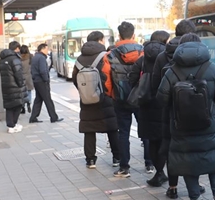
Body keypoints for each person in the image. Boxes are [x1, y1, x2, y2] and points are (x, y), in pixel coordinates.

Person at [156, 33, 215, 200]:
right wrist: (212, 111)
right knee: (213, 158)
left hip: (181, 126)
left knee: (188, 161)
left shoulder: (171, 71)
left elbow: (161, 100)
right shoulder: (212, 69)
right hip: (208, 123)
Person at [151, 19, 199, 195]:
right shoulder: (199, 54)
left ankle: (172, 187)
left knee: (172, 148)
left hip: (169, 111)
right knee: (193, 147)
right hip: (194, 109)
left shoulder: (163, 55)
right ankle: (194, 187)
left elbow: (156, 84)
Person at [72, 31, 119, 169]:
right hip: (106, 98)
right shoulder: (106, 56)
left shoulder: (79, 60)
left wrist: (86, 92)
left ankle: (90, 160)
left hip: (87, 100)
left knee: (89, 129)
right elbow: (112, 75)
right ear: (100, 41)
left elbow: (76, 79)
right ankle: (116, 157)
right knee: (112, 128)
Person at [129, 30, 170, 179]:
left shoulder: (142, 60)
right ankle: (171, 179)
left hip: (146, 106)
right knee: (167, 140)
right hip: (164, 105)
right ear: (164, 42)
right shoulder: (167, 58)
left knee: (152, 141)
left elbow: (132, 80)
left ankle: (158, 173)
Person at [104, 21, 143, 178]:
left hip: (120, 99)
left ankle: (124, 167)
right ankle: (149, 163)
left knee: (123, 133)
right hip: (140, 97)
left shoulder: (110, 55)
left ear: (119, 35)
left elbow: (106, 80)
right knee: (145, 130)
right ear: (134, 35)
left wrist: (113, 94)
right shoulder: (143, 52)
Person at [29, 43, 63, 124]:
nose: (48, 51)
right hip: (41, 81)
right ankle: (53, 117)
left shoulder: (35, 57)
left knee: (38, 99)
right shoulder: (41, 58)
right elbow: (43, 70)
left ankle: (33, 117)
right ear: (42, 49)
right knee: (48, 99)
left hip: (36, 80)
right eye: (47, 49)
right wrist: (46, 80)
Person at [0, 40, 27, 133]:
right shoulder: (15, 58)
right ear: (17, 48)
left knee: (9, 106)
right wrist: (21, 84)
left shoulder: (2, 59)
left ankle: (10, 126)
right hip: (15, 86)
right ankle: (13, 124)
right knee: (18, 105)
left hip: (6, 86)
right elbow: (18, 73)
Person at [19, 44, 34, 114]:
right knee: (29, 91)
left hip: (21, 77)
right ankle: (28, 103)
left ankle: (22, 107)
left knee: (21, 92)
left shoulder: (18, 58)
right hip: (29, 77)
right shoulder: (30, 57)